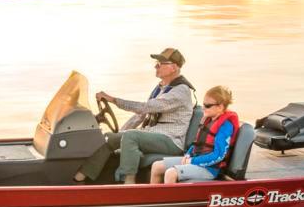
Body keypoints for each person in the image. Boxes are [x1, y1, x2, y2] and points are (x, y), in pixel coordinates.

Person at [75, 48, 196, 185]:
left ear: (173, 67)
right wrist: (120, 133)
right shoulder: (162, 87)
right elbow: (141, 115)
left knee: (131, 136)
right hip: (155, 134)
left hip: (172, 140)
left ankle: (129, 182)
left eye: (160, 63)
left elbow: (145, 107)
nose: (156, 66)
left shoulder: (180, 91)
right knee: (111, 138)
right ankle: (79, 179)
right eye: (156, 63)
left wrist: (114, 100)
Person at [151, 85, 238, 184]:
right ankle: (153, 194)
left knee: (170, 173)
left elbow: (218, 156)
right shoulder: (208, 120)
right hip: (195, 159)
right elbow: (197, 143)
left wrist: (192, 161)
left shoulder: (225, 126)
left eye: (208, 106)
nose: (203, 108)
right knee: (156, 166)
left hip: (209, 169)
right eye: (203, 104)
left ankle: (170, 195)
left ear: (220, 107)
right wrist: (188, 154)